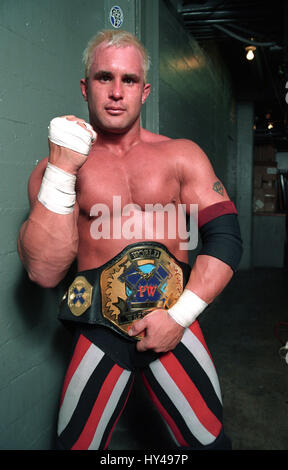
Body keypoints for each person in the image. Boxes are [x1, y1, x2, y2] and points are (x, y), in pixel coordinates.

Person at [17, 29, 242, 451]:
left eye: (129, 80)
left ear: (145, 91)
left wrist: (179, 318)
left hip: (176, 319)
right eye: (105, 78)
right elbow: (44, 272)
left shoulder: (181, 155)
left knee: (210, 444)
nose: (117, 92)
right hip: (99, 327)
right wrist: (63, 171)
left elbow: (225, 238)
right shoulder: (55, 171)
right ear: (85, 87)